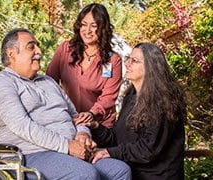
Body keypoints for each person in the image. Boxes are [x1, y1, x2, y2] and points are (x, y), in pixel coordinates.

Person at [0, 28, 131, 180]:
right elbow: (21, 125)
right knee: (84, 174)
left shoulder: (48, 81)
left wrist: (82, 134)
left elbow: (75, 116)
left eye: (37, 46)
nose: (39, 51)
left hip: (68, 151)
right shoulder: (1, 82)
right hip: (29, 154)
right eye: (31, 46)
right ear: (11, 54)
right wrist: (67, 146)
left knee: (119, 170)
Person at [75, 42, 186, 179]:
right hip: (131, 173)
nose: (127, 64)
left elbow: (148, 149)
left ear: (150, 67)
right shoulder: (131, 96)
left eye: (134, 61)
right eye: (128, 59)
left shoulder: (163, 101)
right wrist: (95, 126)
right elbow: (118, 138)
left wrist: (108, 152)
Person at [46, 3, 122, 128]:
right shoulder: (65, 49)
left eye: (94, 26)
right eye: (84, 25)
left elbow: (108, 97)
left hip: (98, 124)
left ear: (103, 28)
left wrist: (91, 114)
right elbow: (49, 82)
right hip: (68, 120)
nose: (87, 31)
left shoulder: (113, 60)